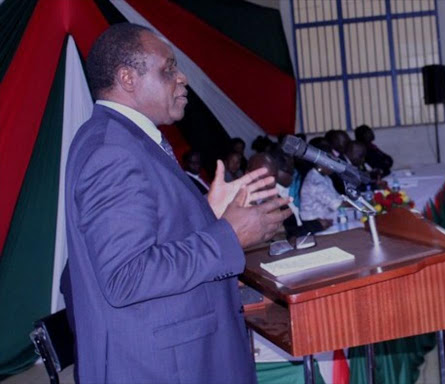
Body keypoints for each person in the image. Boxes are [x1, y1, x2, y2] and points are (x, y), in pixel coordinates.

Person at [62, 23, 291, 384]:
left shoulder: (127, 140)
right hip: (164, 368)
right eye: (168, 69)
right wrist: (228, 236)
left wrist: (208, 213)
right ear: (128, 78)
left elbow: (154, 234)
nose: (182, 78)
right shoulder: (111, 151)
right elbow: (126, 276)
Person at [300, 138, 342, 224]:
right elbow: (338, 205)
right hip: (316, 225)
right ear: (320, 163)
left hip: (328, 221)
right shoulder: (315, 182)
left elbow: (339, 198)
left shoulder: (324, 177)